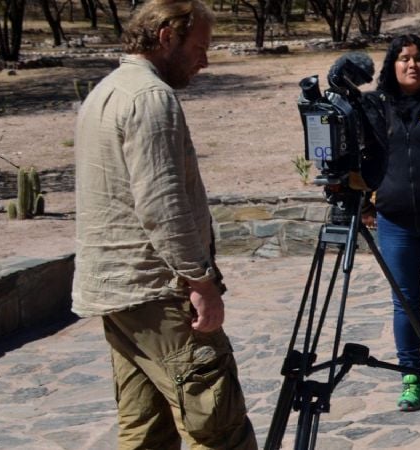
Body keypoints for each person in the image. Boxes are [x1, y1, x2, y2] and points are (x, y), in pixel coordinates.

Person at [71, 1, 258, 448]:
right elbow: (163, 206)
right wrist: (201, 281)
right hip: (157, 290)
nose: (205, 60)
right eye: (199, 46)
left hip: (118, 292)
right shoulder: (151, 99)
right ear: (166, 36)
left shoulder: (107, 90)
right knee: (216, 425)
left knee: (146, 429)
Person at [360, 34, 420, 412]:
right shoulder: (375, 106)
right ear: (392, 65)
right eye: (403, 59)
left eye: (419, 59)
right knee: (404, 302)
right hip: (394, 222)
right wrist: (365, 205)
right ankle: (411, 378)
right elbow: (360, 156)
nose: (412, 65)